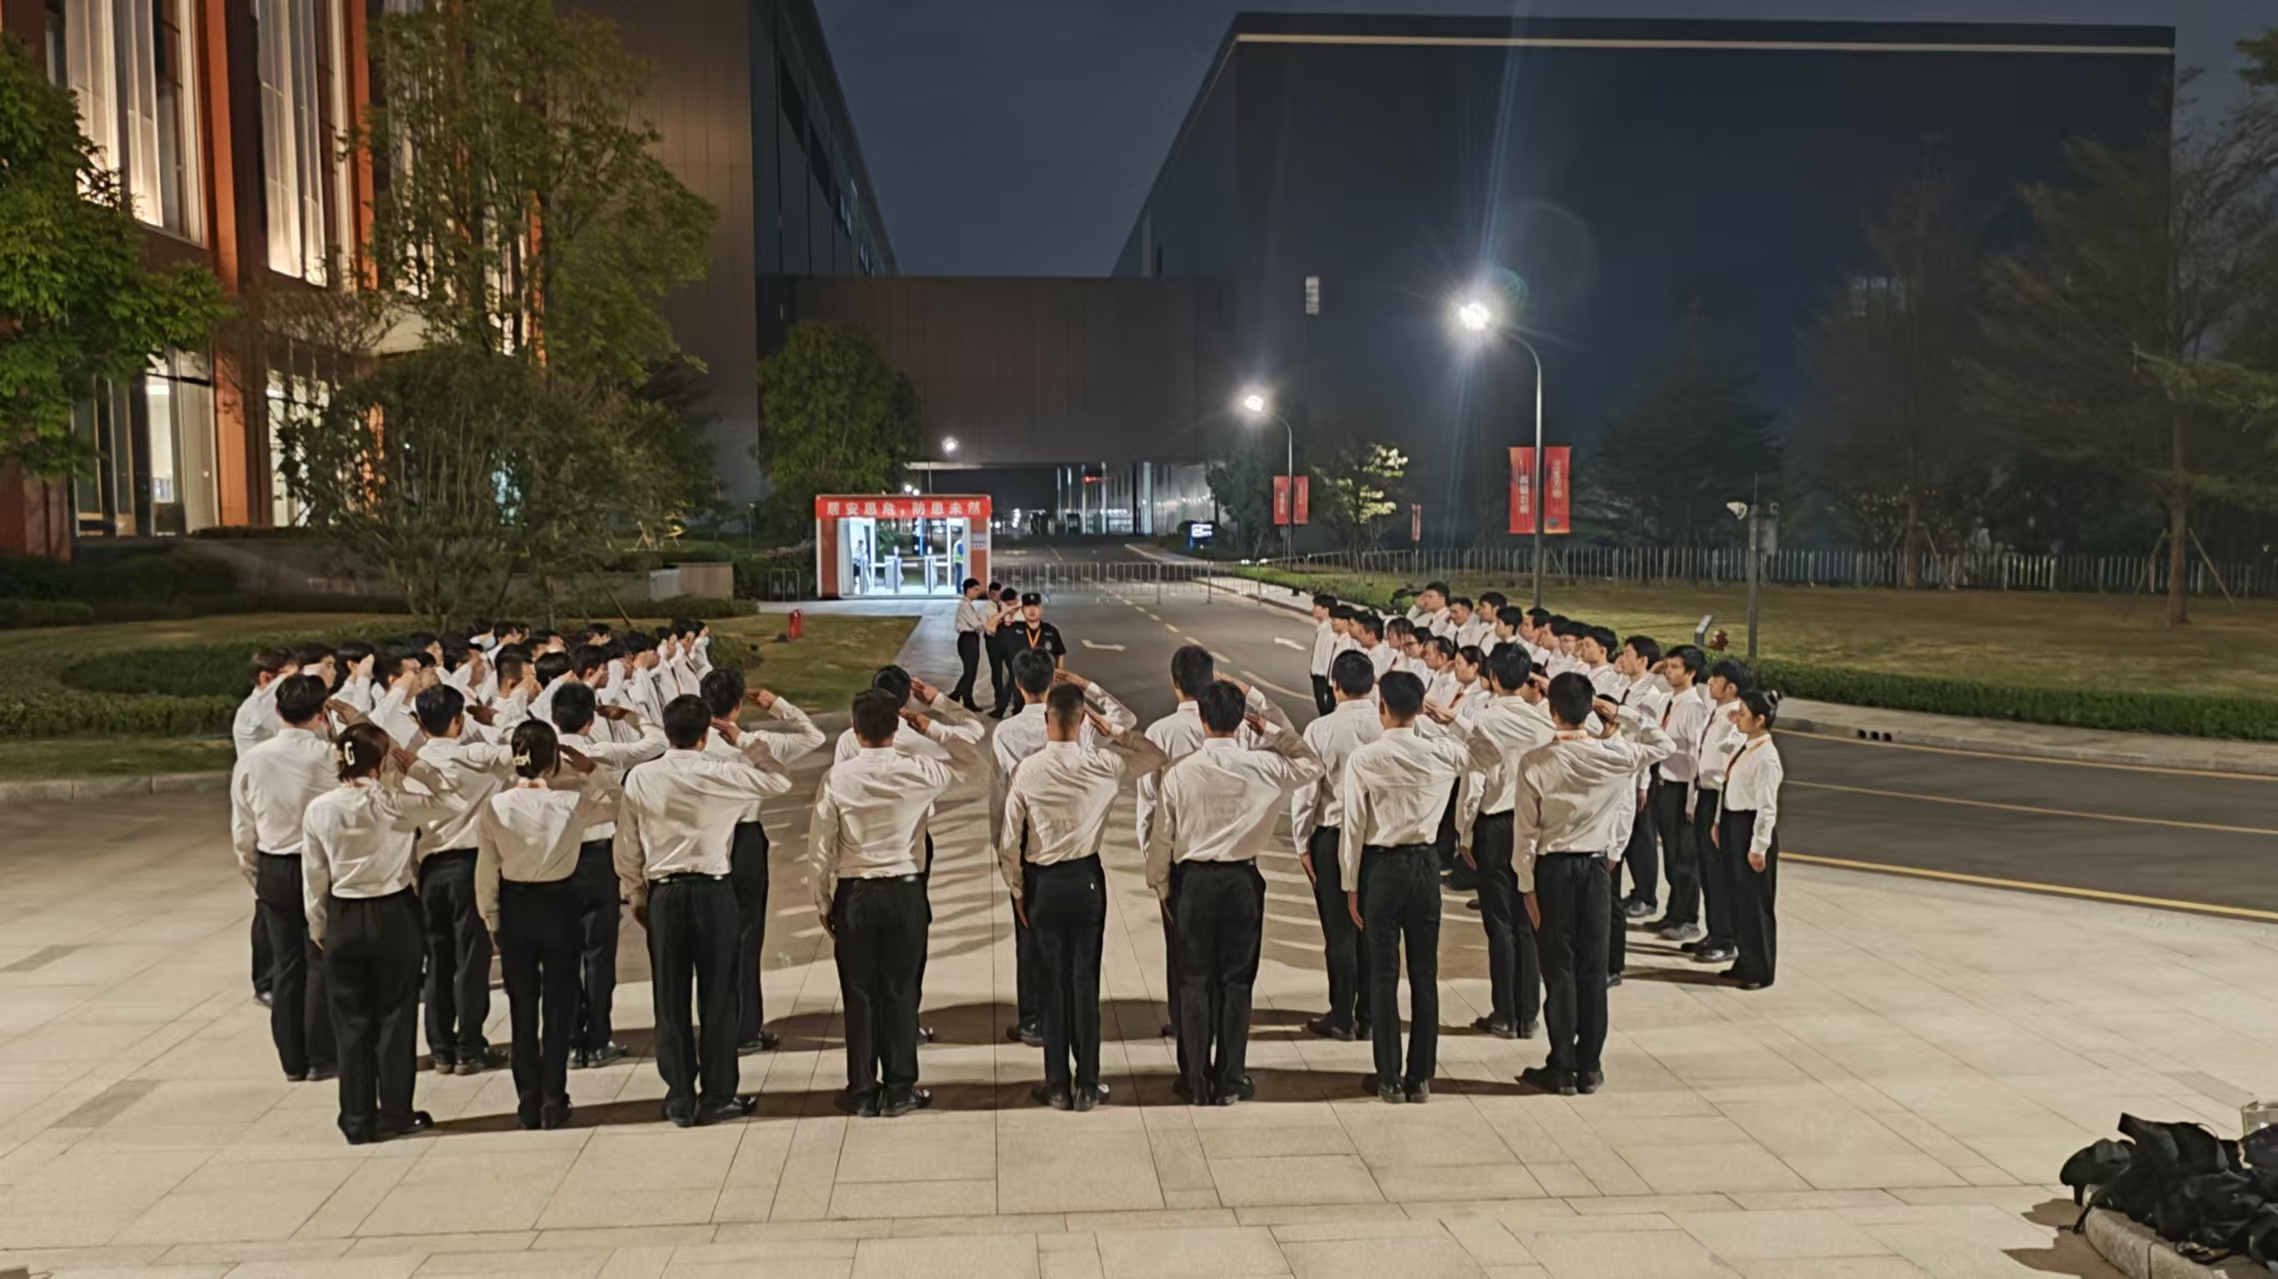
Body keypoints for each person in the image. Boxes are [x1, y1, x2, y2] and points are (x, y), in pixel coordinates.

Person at [615, 694, 799, 1126]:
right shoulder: (723, 771)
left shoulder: (640, 777)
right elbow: (779, 780)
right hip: (714, 891)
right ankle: (718, 1095)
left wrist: (634, 892)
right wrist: (743, 740)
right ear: (705, 735)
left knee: (670, 997)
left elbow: (627, 842)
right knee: (719, 996)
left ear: (666, 732)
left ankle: (679, 1095)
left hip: (664, 893)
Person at [1145, 681, 1323, 1105]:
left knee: (1193, 983)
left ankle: (1194, 1079)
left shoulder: (1180, 772)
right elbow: (1311, 764)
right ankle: (1230, 1077)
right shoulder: (1265, 765)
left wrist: (1162, 887)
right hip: (1242, 882)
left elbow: (1162, 839)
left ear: (1202, 719)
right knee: (1236, 983)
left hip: (1193, 883)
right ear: (1242, 720)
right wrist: (1272, 731)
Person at [809, 689, 984, 1117]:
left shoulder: (837, 778)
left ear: (855, 729)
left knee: (859, 994)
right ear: (897, 729)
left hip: (856, 892)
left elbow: (821, 847)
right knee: (901, 991)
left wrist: (823, 901)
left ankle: (862, 1088)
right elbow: (975, 766)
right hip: (905, 889)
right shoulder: (920, 770)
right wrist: (933, 728)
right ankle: (900, 1087)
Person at [999, 683, 1166, 1110]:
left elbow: (1009, 840)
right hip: (1085, 879)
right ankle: (1088, 1082)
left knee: (1051, 984)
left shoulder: (1027, 771)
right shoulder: (1104, 764)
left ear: (1047, 720)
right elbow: (1154, 756)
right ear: (1082, 721)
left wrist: (1017, 889)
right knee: (1084, 982)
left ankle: (1057, 1083)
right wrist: (1115, 731)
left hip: (1043, 883)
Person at [1339, 671, 1499, 1103]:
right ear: (1420, 710)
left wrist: (1350, 883)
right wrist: (1455, 721)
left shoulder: (1365, 758)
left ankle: (1388, 1076)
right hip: (1426, 865)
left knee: (1383, 974)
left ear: (1382, 708)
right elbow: (1490, 754)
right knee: (1425, 974)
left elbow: (1353, 826)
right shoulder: (1442, 751)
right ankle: (1420, 1077)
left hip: (1381, 866)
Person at [1513, 675, 1673, 1097]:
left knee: (1559, 970)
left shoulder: (1536, 762)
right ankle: (1590, 1067)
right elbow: (1664, 745)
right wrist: (1622, 714)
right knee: (1593, 969)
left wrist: (1527, 886)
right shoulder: (1615, 756)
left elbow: (1526, 833)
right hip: (1597, 870)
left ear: (1551, 711)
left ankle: (1561, 1064)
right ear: (1591, 710)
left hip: (1553, 870)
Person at [303, 722, 461, 1144]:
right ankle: (395, 1111)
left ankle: (356, 1117)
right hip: (393, 912)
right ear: (382, 760)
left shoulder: (319, 809)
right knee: (396, 1014)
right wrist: (418, 768)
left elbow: (314, 874)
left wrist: (318, 923)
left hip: (344, 911)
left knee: (351, 1021)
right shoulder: (394, 802)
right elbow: (453, 802)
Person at [1135, 646, 1283, 1073]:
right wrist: (1253, 697)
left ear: (1175, 683)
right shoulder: (1243, 731)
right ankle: (1228, 1062)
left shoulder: (1160, 733)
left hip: (1186, 866)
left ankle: (1188, 1037)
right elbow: (1291, 745)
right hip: (1239, 867)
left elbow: (1149, 808)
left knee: (1186, 964)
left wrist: (1157, 873)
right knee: (1234, 970)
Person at [474, 721, 619, 1128]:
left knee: (522, 1011)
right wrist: (591, 771)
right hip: (559, 904)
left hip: (515, 905)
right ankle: (553, 1098)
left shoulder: (496, 806)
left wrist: (491, 916)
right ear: (554, 760)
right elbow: (621, 802)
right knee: (558, 1007)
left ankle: (527, 1100)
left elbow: (486, 869)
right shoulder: (571, 802)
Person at [991, 653, 1137, 1047]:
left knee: (1030, 940)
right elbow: (1127, 721)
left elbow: (1002, 797)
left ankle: (1034, 1019)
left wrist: (1006, 863)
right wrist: (1088, 688)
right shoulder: (1081, 725)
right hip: (1074, 837)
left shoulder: (1005, 733)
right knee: (1079, 952)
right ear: (1053, 682)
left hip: (1029, 840)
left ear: (1018, 683)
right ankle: (1075, 1023)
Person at [701, 667, 828, 1055]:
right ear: (737, 706)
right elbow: (813, 736)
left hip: (704, 840)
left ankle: (716, 1025)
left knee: (709, 940)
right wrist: (778, 706)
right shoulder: (757, 743)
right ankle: (745, 1028)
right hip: (744, 841)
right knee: (746, 935)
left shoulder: (692, 742)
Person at [230, 673, 341, 1083]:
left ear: (277, 710)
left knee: (286, 965)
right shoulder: (327, 756)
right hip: (319, 863)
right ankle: (321, 1055)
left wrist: (255, 871)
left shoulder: (252, 759)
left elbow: (242, 827)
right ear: (322, 712)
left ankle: (292, 1059)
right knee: (319, 959)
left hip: (274, 864)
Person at [550, 681, 667, 1068]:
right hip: (598, 858)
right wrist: (629, 716)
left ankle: (571, 1039)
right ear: (589, 721)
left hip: (557, 861)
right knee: (599, 953)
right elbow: (657, 742)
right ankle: (598, 1037)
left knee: (563, 954)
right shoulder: (600, 752)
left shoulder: (543, 755)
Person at [409, 685, 516, 1075]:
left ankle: (441, 1047)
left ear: (420, 724)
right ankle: (470, 1046)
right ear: (459, 719)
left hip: (431, 867)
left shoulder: (413, 765)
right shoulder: (477, 758)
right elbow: (524, 745)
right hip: (472, 866)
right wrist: (499, 719)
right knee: (471, 961)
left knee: (437, 961)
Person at [1460, 648, 1554, 1040]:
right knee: (1528, 919)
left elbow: (1474, 780)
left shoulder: (1483, 719)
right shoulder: (1544, 721)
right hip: (1535, 824)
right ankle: (1528, 1014)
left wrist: (1465, 832)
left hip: (1496, 825)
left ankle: (1504, 1013)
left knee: (1500, 923)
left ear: (1493, 677)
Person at [1290, 650, 1381, 1043]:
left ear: (1335, 686)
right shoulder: (1387, 724)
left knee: (1339, 932)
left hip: (1333, 836)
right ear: (1372, 684)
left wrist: (1302, 843)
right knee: (1373, 929)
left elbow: (1306, 793)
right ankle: (1372, 1015)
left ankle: (1342, 1016)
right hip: (1377, 842)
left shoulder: (1320, 730)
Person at [1716, 690, 1785, 990]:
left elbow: (1767, 808)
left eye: (1743, 713)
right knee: (1738, 899)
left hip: (1751, 829)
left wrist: (1759, 848)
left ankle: (1761, 970)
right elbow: (1722, 746)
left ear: (1760, 720)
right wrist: (1720, 822)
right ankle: (1744, 961)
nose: (1738, 717)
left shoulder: (1767, 758)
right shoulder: (1746, 746)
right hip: (1734, 823)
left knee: (1755, 903)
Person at [1688, 660, 1755, 968]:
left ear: (1731, 687)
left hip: (1720, 798)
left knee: (1719, 872)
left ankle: (1726, 938)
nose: (1710, 683)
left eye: (1716, 679)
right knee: (1707, 870)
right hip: (1705, 794)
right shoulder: (1718, 712)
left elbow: (1731, 764)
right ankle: (1714, 931)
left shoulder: (1737, 718)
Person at [1647, 647, 1712, 945]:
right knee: (1672, 855)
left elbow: (1696, 758)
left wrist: (1691, 799)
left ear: (1691, 673)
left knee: (1685, 858)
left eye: (1674, 667)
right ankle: (1673, 912)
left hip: (1681, 788)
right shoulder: (1668, 701)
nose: (1668, 671)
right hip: (1663, 784)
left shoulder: (1694, 709)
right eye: (1667, 665)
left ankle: (1688, 918)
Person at [990, 592, 1067, 717]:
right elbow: (989, 626)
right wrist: (1009, 609)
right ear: (1022, 610)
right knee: (1020, 713)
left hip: (1044, 682)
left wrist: (1059, 675)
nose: (1032, 610)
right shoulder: (1014, 629)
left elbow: (1060, 653)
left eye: (1035, 606)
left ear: (1041, 609)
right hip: (1022, 683)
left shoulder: (1050, 630)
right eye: (1027, 606)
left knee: (1045, 714)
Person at [949, 578, 988, 710]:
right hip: (968, 639)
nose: (978, 592)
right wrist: (985, 624)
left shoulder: (968, 605)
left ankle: (966, 699)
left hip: (971, 639)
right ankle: (955, 696)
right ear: (968, 589)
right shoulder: (965, 605)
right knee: (970, 671)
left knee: (970, 672)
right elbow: (976, 624)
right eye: (976, 589)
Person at [1307, 593, 1340, 716]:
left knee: (1325, 710)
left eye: (1317, 606)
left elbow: (1328, 657)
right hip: (1318, 675)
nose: (1313, 609)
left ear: (1326, 610)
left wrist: (1328, 681)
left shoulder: (1329, 632)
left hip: (1323, 677)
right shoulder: (1322, 629)